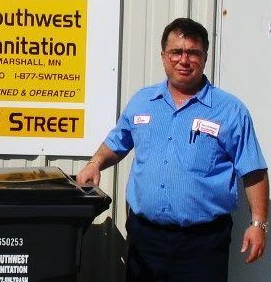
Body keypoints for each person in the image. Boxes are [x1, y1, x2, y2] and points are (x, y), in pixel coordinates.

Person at [77, 18, 269, 281]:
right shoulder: (143, 101)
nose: (184, 60)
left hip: (203, 244)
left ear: (205, 57)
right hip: (145, 240)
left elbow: (254, 170)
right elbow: (118, 141)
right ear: (163, 56)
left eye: (193, 52)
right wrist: (95, 163)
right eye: (176, 52)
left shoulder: (230, 110)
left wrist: (258, 224)